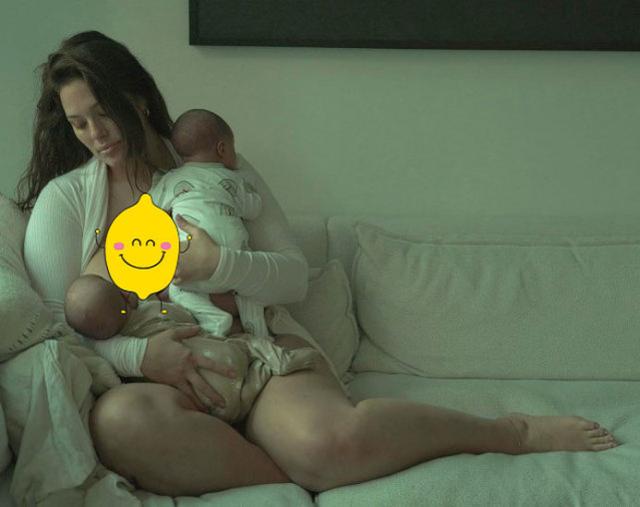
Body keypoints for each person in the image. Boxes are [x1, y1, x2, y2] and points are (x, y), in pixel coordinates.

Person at [18, 30, 618, 498]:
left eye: (103, 111)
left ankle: (508, 432)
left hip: (260, 350)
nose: (96, 133)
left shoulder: (212, 168)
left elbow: (289, 276)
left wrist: (219, 265)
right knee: (118, 424)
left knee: (331, 441)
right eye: (78, 123)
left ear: (138, 96)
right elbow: (59, 330)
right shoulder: (66, 202)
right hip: (162, 382)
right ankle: (298, 475)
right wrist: (139, 355)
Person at [64, 272, 321, 422]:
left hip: (209, 405)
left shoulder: (116, 363)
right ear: (124, 296)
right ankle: (275, 361)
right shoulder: (152, 309)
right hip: (226, 356)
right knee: (247, 344)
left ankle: (250, 390)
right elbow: (187, 320)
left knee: (234, 396)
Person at [149, 108, 269, 339]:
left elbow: (150, 208)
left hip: (192, 267)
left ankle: (214, 319)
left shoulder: (172, 180)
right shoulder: (234, 178)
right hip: (234, 260)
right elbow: (253, 210)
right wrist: (249, 190)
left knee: (176, 289)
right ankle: (258, 331)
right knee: (251, 291)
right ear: (222, 149)